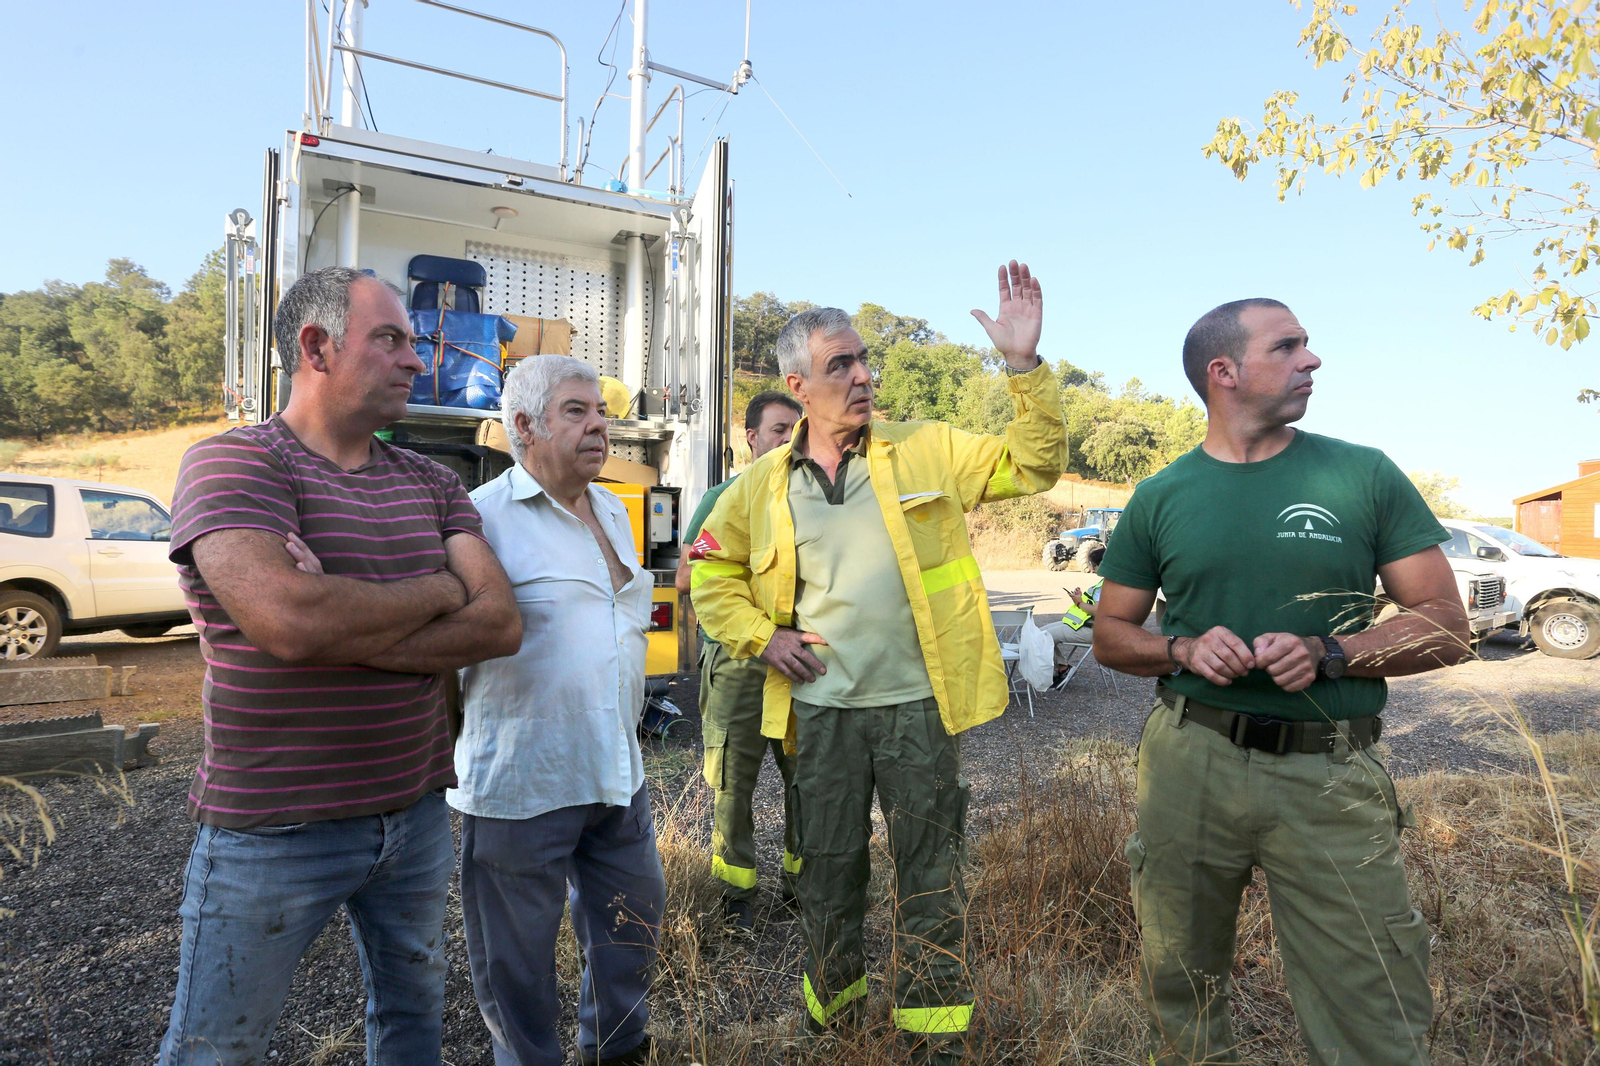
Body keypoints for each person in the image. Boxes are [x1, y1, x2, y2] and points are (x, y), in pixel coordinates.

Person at [691, 262, 1069, 1063]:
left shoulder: (925, 451)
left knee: (931, 871)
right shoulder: (758, 487)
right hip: (820, 716)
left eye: (864, 360)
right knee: (828, 878)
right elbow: (712, 579)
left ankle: (933, 1037)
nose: (864, 375)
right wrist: (767, 638)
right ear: (797, 384)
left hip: (917, 711)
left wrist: (1024, 369)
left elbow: (1033, 465)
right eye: (841, 366)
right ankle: (835, 1015)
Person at [1091, 298, 1471, 1066]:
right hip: (1190, 763)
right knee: (1182, 979)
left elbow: (1445, 625)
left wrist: (1335, 652)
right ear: (1223, 373)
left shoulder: (1359, 473)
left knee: (1374, 996)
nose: (1313, 359)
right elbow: (1110, 634)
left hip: (1329, 773)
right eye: (1289, 346)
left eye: (1307, 344)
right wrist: (1183, 652)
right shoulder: (1163, 494)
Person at [159, 266, 522, 1065]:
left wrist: (340, 618)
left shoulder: (433, 480)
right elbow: (288, 619)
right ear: (316, 346)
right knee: (216, 1049)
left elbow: (497, 622)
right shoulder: (235, 466)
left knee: (411, 1022)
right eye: (390, 339)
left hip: (418, 812)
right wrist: (436, 589)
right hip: (272, 828)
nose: (416, 361)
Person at [451, 354, 666, 1066]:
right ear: (523, 425)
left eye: (601, 411)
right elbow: (441, 656)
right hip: (522, 785)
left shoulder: (609, 508)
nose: (600, 425)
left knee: (634, 927)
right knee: (516, 970)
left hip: (616, 770)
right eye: (577, 411)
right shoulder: (479, 523)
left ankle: (617, 1049)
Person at [673, 391, 805, 930]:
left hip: (802, 664)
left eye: (797, 429)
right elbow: (687, 577)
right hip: (738, 663)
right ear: (751, 437)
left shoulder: (813, 498)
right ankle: (735, 901)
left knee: (809, 783)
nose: (789, 439)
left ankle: (804, 890)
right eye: (778, 430)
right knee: (732, 783)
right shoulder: (726, 497)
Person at [1040, 548, 1104, 686]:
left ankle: (1062, 670)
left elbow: (1098, 611)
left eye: (1094, 565)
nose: (1092, 568)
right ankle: (1063, 667)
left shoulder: (1107, 586)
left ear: (1103, 564)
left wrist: (1079, 602)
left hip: (1095, 631)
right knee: (1041, 632)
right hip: (1092, 627)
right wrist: (1081, 598)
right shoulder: (1113, 582)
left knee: (1043, 636)